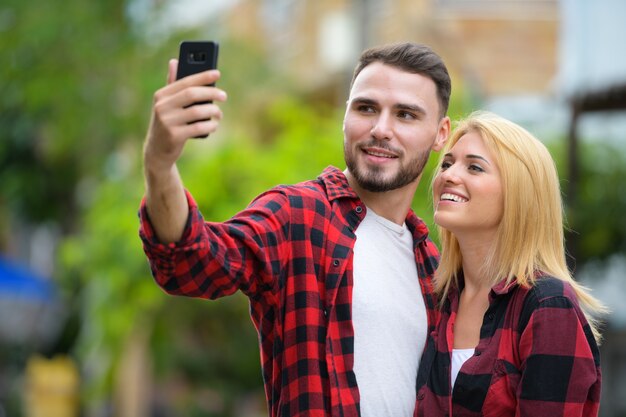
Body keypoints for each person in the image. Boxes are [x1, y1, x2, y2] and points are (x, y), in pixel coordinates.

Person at [139, 42, 452, 417]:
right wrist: (159, 163)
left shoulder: (433, 264)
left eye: (406, 115)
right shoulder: (296, 214)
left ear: (440, 134)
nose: (381, 129)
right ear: (345, 116)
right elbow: (193, 261)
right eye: (366, 108)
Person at [414, 111, 607, 417]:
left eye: (474, 167)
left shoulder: (548, 305)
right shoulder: (437, 298)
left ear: (519, 193)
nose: (448, 175)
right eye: (448, 163)